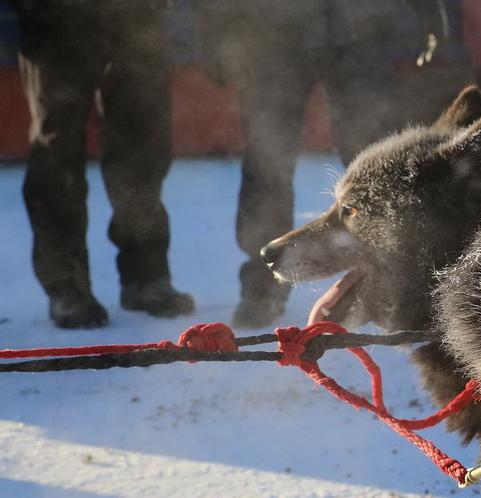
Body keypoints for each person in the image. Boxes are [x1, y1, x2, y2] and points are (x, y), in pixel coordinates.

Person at [200, 0, 443, 327]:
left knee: (379, 170)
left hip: (359, 25)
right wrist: (212, 28)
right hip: (272, 27)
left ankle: (407, 280)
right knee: (267, 161)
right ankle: (261, 288)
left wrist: (431, 10)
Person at [14, 0, 194, 329]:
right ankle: (67, 289)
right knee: (57, 153)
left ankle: (146, 277)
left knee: (142, 149)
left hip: (137, 16)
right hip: (56, 18)